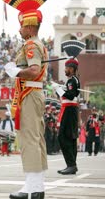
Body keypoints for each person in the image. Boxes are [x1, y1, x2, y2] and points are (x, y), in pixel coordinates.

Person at [1, 0, 55, 198]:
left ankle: (31, 186)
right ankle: (37, 186)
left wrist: (15, 71)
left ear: (31, 26)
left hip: (30, 94)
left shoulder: (31, 45)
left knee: (28, 139)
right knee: (36, 139)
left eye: (22, 25)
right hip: (33, 94)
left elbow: (32, 71)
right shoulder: (37, 44)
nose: (19, 30)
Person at [52, 40, 85, 175]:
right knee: (70, 137)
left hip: (69, 110)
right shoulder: (73, 80)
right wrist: (60, 89)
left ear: (71, 68)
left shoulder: (72, 80)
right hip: (70, 110)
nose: (65, 70)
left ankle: (71, 164)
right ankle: (72, 165)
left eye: (66, 68)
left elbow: (70, 96)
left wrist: (58, 90)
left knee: (63, 137)